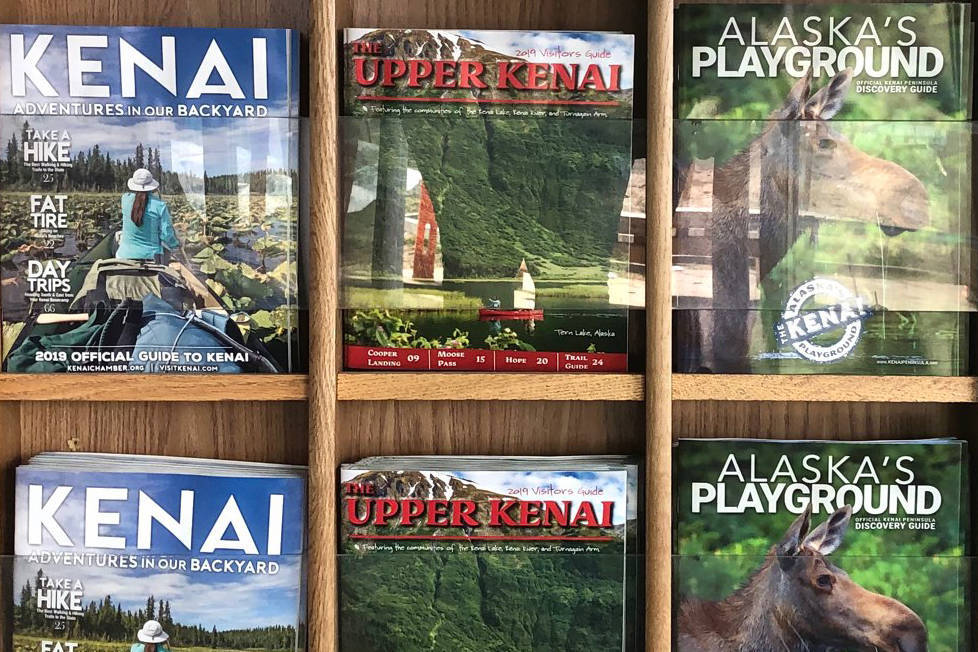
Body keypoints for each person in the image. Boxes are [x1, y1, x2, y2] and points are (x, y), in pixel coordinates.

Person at [118, 168, 180, 261]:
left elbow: (139, 205)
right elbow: (166, 234)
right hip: (152, 258)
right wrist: (176, 244)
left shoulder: (125, 199)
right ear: (153, 187)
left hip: (124, 256)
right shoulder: (160, 205)